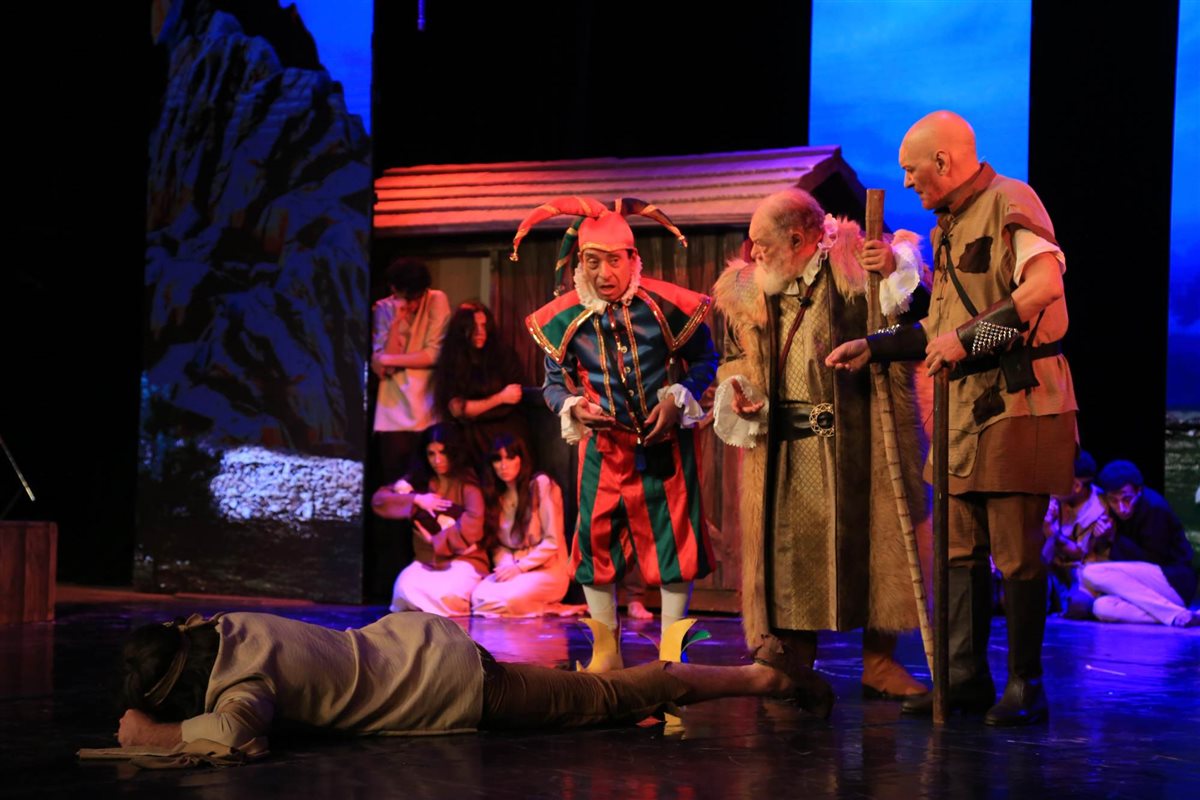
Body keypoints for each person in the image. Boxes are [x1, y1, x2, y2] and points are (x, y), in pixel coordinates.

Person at [826, 111, 1078, 726]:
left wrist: (965, 341)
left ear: (942, 161)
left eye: (912, 169)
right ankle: (964, 680)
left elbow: (1043, 288)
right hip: (964, 410)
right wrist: (874, 346)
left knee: (1015, 553)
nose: (906, 182)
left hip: (1021, 402)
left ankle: (1026, 686)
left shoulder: (1011, 201)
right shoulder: (947, 228)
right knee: (957, 551)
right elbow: (938, 330)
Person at [711, 188, 931, 701]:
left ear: (798, 239)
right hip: (785, 445)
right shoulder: (748, 290)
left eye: (763, 244)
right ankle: (793, 662)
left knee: (875, 545)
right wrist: (739, 387)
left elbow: (914, 311)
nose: (754, 253)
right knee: (789, 553)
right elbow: (731, 358)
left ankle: (879, 663)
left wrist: (893, 264)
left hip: (860, 439)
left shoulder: (855, 266)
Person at [114, 610, 835, 754]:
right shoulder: (223, 626)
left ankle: (761, 679)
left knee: (614, 698)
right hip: (418, 642)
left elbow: (235, 731)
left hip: (447, 682)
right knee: (586, 696)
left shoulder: (241, 686)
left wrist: (155, 732)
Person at [513, 196, 718, 669]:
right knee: (594, 545)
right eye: (593, 261)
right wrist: (574, 407)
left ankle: (672, 658)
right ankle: (606, 656)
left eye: (613, 260)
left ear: (632, 259)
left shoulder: (665, 307)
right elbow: (552, 385)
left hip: (665, 447)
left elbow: (705, 360)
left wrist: (678, 397)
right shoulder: (564, 319)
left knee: (676, 546)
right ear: (580, 264)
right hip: (603, 451)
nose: (604, 273)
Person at [367, 258, 452, 600]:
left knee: (428, 493)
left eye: (416, 297)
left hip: (427, 413)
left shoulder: (437, 300)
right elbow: (380, 367)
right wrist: (397, 323)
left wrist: (387, 361)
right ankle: (393, 579)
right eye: (406, 297)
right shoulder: (383, 309)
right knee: (395, 497)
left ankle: (429, 567)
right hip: (391, 417)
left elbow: (433, 354)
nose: (413, 304)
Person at [371, 423, 487, 616]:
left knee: (445, 596)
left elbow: (473, 527)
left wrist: (435, 540)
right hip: (426, 562)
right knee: (403, 593)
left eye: (443, 453)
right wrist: (417, 500)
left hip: (462, 560)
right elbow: (379, 501)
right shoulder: (419, 482)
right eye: (431, 454)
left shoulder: (468, 485)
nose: (437, 460)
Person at [1077, 460, 1198, 627]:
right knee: (1102, 608)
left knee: (1091, 572)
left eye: (1127, 499)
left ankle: (1173, 612)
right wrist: (1101, 538)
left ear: (1138, 491)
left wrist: (1113, 537)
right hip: (1151, 592)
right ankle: (1179, 615)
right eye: (1113, 500)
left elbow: (1152, 559)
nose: (1121, 507)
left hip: (1173, 582)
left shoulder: (1155, 508)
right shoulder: (1110, 513)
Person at [471, 434, 570, 617]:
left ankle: (549, 608)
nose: (504, 465)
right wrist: (507, 565)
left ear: (521, 459)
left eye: (510, 457)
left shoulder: (540, 484)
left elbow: (553, 541)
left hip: (547, 568)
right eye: (498, 459)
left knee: (509, 600)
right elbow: (499, 545)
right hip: (513, 568)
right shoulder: (498, 496)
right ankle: (537, 608)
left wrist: (521, 567)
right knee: (479, 597)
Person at [432, 302, 531, 466]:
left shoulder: (502, 354)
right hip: (471, 435)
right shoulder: (454, 361)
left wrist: (479, 407)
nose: (480, 332)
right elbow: (458, 409)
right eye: (473, 327)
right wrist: (500, 398)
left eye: (484, 326)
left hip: (506, 430)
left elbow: (516, 394)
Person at [1041, 450, 1109, 615]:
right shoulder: (1058, 498)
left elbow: (1081, 553)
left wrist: (1051, 531)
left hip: (1081, 572)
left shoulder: (1098, 509)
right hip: (1052, 567)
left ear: (1077, 486)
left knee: (1078, 606)